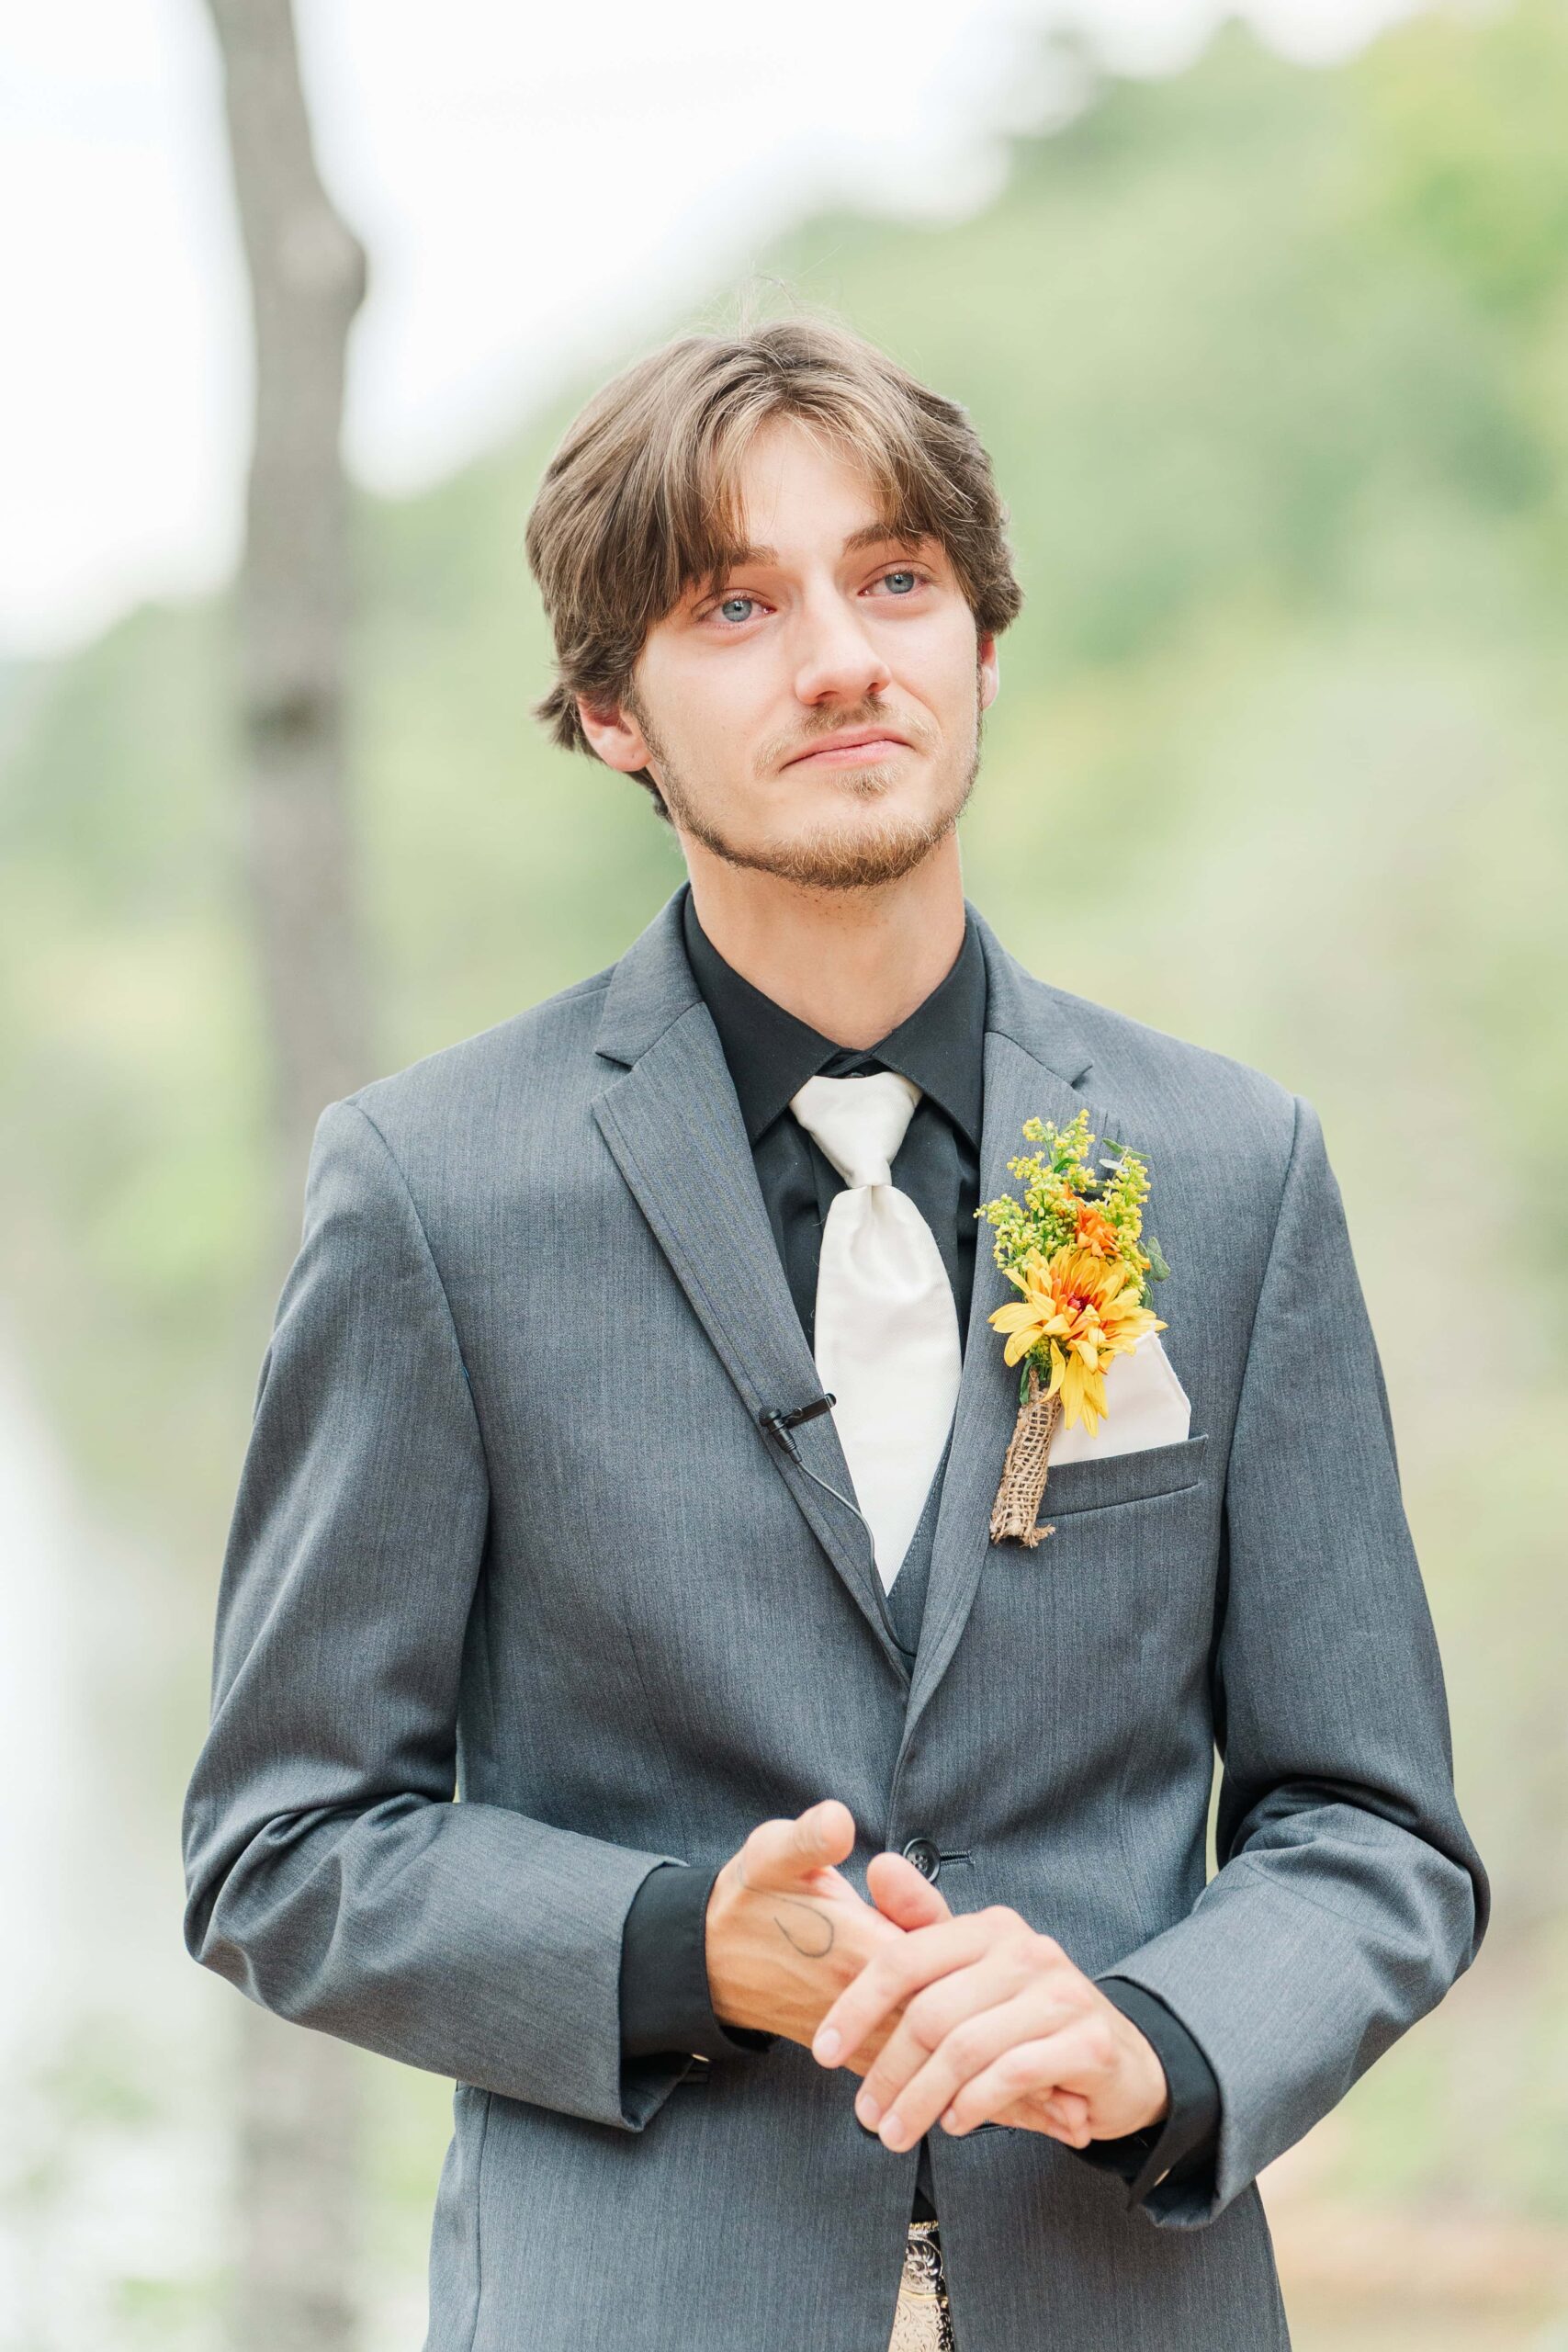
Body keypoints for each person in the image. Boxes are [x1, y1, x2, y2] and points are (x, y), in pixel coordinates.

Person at [181, 313, 1487, 2352]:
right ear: (612, 708)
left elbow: (1373, 1826)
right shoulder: (432, 1191)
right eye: (734, 603)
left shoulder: (1231, 1169)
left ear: (980, 640)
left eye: (894, 579)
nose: (839, 656)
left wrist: (1156, 2038)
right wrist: (670, 1943)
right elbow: (284, 1841)